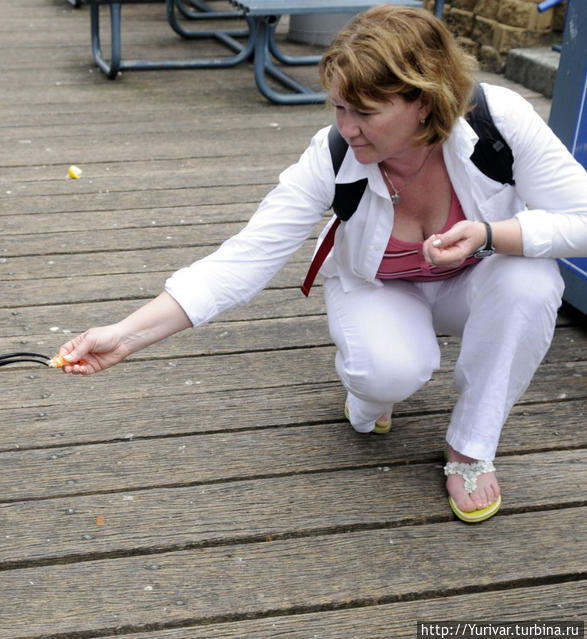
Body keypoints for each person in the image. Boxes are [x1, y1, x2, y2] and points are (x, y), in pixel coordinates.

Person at [53, 5, 587, 523]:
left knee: (533, 278)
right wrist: (124, 337)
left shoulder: (497, 121)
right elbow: (245, 257)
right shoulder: (331, 153)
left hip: (470, 284)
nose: (347, 127)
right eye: (338, 107)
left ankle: (471, 446)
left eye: (366, 112)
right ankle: (372, 394)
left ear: (423, 101)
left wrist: (494, 234)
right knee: (387, 374)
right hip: (378, 285)